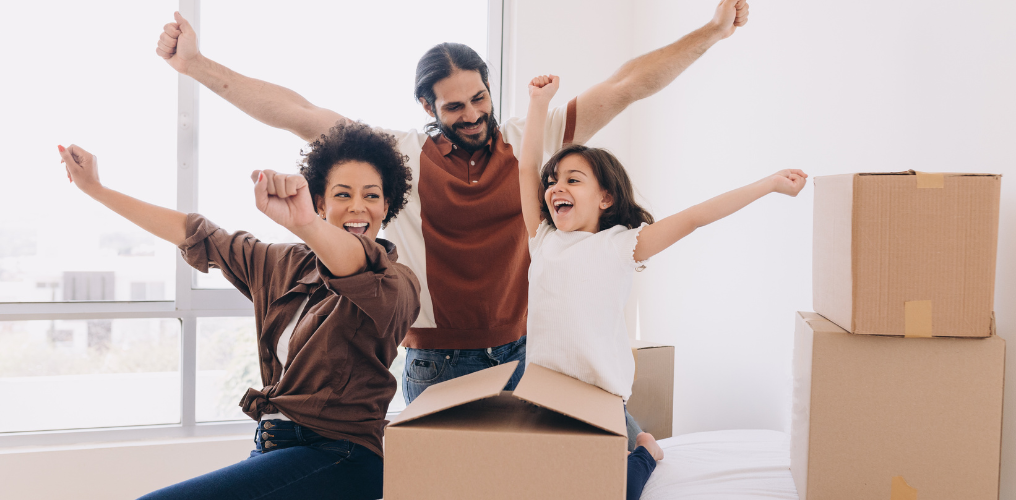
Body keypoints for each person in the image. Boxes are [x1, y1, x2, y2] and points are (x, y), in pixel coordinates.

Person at [153, 0, 751, 404]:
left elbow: (625, 86)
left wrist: (712, 32)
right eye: (454, 107)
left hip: (524, 351)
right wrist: (196, 65)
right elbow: (300, 113)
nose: (473, 115)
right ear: (428, 109)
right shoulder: (400, 157)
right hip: (437, 366)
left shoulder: (527, 142)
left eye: (479, 98)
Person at [57, 121, 420, 500]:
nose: (358, 206)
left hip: (340, 457)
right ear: (320, 202)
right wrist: (96, 189)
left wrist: (306, 224)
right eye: (343, 194)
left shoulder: (398, 282)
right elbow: (197, 234)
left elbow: (355, 264)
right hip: (275, 450)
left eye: (372, 195)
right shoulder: (284, 264)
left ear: (387, 205)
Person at [518, 74, 807, 500]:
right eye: (553, 181)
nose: (556, 187)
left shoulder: (620, 245)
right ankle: (639, 440)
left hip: (598, 400)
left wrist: (769, 185)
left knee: (616, 493)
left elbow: (695, 217)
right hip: (547, 398)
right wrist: (539, 103)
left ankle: (646, 453)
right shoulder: (543, 239)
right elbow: (526, 167)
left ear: (606, 198)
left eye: (573, 180)